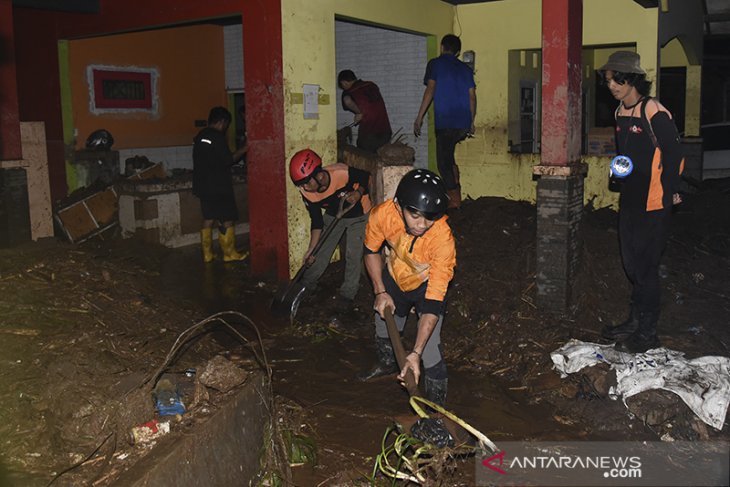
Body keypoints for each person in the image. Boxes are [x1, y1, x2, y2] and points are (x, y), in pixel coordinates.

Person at [598, 51, 684, 353]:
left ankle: (648, 333)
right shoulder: (621, 111)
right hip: (630, 201)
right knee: (632, 265)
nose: (611, 86)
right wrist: (617, 172)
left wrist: (672, 188)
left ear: (631, 79)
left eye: (616, 80)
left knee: (646, 269)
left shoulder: (654, 111)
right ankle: (634, 321)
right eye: (608, 81)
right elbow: (626, 154)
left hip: (654, 201)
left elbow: (674, 154)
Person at [360, 169, 456, 407]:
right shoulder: (383, 215)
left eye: (430, 217)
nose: (422, 225)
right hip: (396, 275)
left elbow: (434, 301)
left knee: (431, 348)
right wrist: (380, 291)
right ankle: (386, 364)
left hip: (426, 283)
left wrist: (416, 353)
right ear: (398, 205)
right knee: (384, 321)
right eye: (415, 215)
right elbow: (371, 251)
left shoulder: (442, 240)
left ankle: (435, 407)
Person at [289, 148, 371, 310]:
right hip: (334, 215)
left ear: (319, 175)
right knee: (320, 252)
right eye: (301, 184)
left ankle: (348, 294)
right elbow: (317, 221)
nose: (304, 187)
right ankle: (306, 286)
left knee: (352, 255)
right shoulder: (307, 192)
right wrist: (311, 249)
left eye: (306, 182)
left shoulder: (341, 173)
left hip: (358, 214)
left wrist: (358, 193)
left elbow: (365, 177)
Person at [413, 34, 476, 210]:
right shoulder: (465, 69)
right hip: (463, 122)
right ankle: (457, 187)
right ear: (457, 51)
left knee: (443, 162)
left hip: (446, 121)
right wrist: (471, 121)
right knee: (449, 156)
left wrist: (419, 117)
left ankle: (454, 201)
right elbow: (472, 97)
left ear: (442, 47)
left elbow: (430, 89)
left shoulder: (435, 64)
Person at [192, 106, 248, 263]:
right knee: (227, 217)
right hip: (218, 186)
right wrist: (244, 149)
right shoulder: (217, 137)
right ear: (222, 122)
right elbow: (228, 160)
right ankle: (229, 253)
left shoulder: (200, 136)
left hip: (202, 185)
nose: (226, 128)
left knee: (209, 217)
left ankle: (207, 254)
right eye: (226, 125)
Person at [338, 70, 393, 153]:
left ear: (344, 82)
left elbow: (347, 101)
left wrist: (359, 112)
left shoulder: (349, 91)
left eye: (342, 85)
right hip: (385, 131)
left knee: (366, 160)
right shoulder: (372, 85)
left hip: (369, 133)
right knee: (382, 159)